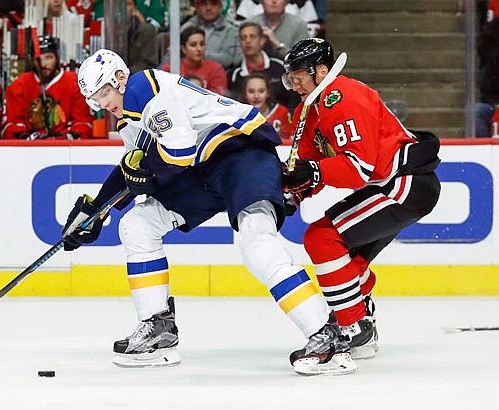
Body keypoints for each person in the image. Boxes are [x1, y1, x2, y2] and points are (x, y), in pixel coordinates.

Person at [61, 48, 357, 376]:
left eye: (103, 92)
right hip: (202, 170)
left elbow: (176, 153)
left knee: (257, 243)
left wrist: (142, 171)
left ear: (120, 79)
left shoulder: (145, 88)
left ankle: (327, 337)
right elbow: (133, 168)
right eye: (95, 99)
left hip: (241, 153)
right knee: (136, 224)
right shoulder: (130, 117)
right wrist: (95, 210)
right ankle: (158, 330)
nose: (102, 103)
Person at [281, 38, 441, 359]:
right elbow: (309, 168)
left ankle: (351, 327)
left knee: (321, 239)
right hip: (392, 185)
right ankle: (362, 328)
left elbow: (357, 168)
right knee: (347, 260)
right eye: (290, 77)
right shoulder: (308, 110)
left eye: (300, 76)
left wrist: (312, 172)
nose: (294, 84)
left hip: (403, 183)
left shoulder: (341, 96)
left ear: (322, 71)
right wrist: (287, 196)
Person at [1, 35, 93, 140]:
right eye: (38, 59)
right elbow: (10, 125)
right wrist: (26, 138)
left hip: (65, 150)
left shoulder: (75, 83)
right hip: (30, 150)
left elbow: (83, 124)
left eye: (48, 58)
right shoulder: (19, 85)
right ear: (31, 60)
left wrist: (63, 138)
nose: (43, 64)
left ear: (57, 58)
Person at [229, 21, 300, 111]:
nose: (248, 41)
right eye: (243, 38)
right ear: (240, 43)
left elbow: (294, 99)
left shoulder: (281, 66)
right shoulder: (234, 76)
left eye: (252, 36)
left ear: (262, 40)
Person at [161, 25, 228, 95]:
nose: (199, 49)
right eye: (193, 45)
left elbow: (218, 98)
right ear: (183, 49)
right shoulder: (169, 69)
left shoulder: (216, 69)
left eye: (202, 44)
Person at [181, 0, 242, 70]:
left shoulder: (232, 31)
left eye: (214, 4)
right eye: (203, 4)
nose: (209, 8)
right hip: (186, 74)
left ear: (221, 6)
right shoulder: (185, 28)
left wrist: (196, 53)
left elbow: (229, 60)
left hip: (220, 75)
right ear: (197, 7)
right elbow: (172, 55)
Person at [241, 72, 292, 140]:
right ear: (244, 94)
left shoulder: (282, 112)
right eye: (251, 91)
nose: (256, 96)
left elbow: (290, 140)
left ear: (268, 92)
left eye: (261, 91)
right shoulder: (238, 116)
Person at [126, 0, 158, 74]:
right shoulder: (108, 30)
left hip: (137, 77)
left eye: (128, 4)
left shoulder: (146, 30)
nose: (123, 9)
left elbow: (149, 63)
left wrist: (125, 72)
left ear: (134, 8)